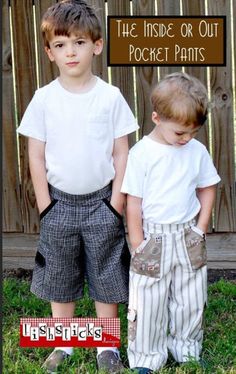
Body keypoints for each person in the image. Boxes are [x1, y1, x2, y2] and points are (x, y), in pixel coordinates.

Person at [17, 0, 138, 372]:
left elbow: (122, 154)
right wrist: (45, 206)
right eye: (61, 44)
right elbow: (36, 156)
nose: (71, 51)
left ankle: (107, 348)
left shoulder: (110, 97)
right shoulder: (44, 100)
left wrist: (115, 203)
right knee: (60, 273)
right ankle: (64, 344)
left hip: (103, 201)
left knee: (106, 273)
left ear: (97, 45)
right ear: (50, 52)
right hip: (59, 205)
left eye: (79, 43)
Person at [121, 72, 221, 374]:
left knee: (191, 297)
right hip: (153, 237)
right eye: (180, 133)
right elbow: (133, 201)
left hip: (187, 235)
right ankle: (147, 358)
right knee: (148, 300)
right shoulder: (142, 154)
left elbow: (208, 186)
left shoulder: (196, 151)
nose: (186, 138)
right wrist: (138, 243)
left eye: (192, 132)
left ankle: (186, 349)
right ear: (156, 118)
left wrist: (200, 228)